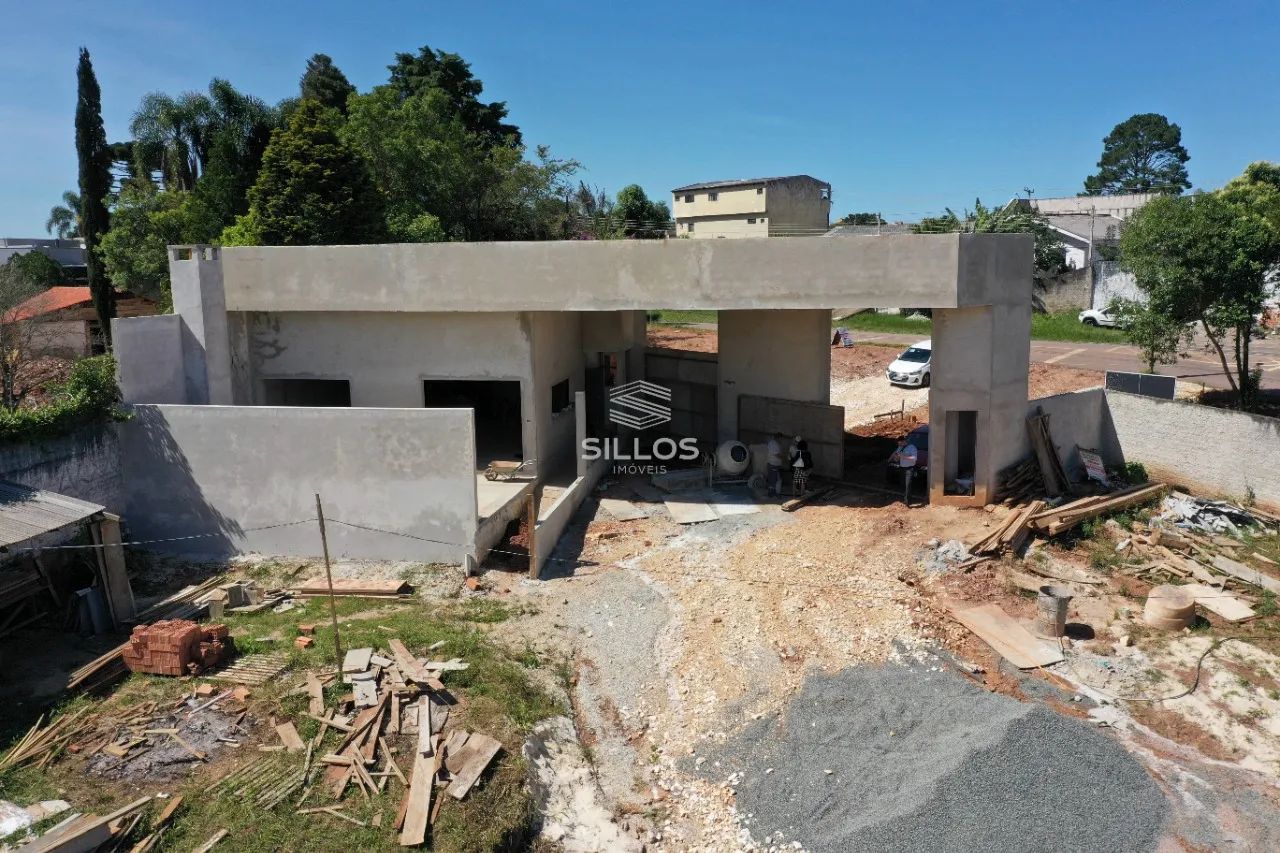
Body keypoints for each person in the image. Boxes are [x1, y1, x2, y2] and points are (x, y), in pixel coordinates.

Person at [888, 435, 918, 503]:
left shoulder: (912, 448)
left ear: (904, 441)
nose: (899, 444)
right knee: (903, 484)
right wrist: (896, 458)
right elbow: (897, 456)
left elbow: (914, 459)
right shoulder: (900, 447)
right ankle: (904, 499)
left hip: (909, 469)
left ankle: (907, 501)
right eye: (898, 443)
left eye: (900, 443)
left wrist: (904, 456)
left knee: (908, 485)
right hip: (902, 468)